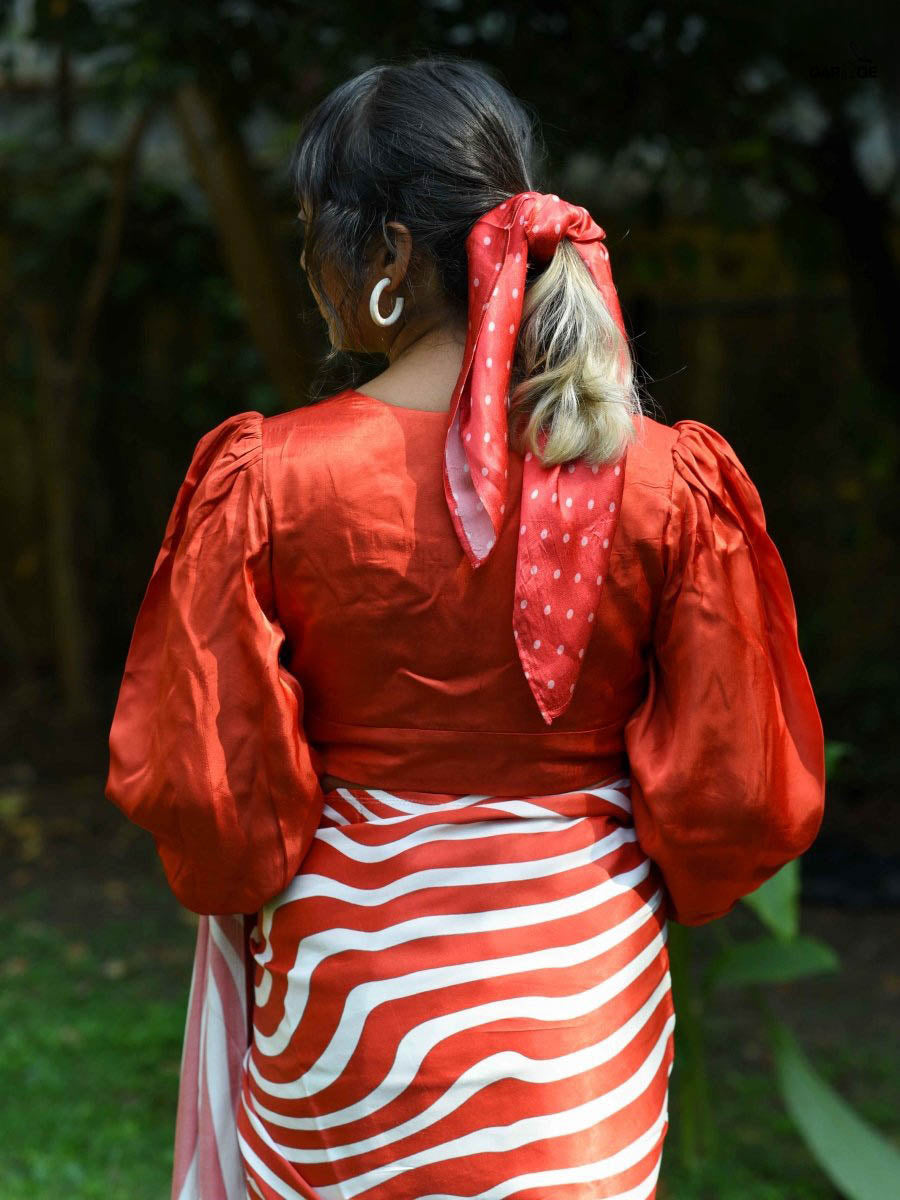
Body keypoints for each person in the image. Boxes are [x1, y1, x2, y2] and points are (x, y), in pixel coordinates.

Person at [104, 55, 826, 1200]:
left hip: (346, 1030)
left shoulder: (272, 481)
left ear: (389, 255)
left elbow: (212, 794)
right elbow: (735, 790)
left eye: (312, 235)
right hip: (579, 1027)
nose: (308, 268)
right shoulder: (665, 484)